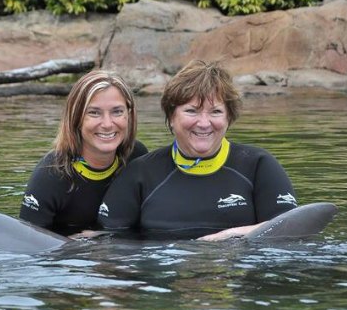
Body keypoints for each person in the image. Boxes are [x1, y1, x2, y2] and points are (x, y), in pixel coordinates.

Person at [98, 60, 297, 241]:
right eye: (191, 111)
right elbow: (108, 242)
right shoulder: (140, 173)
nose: (204, 123)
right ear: (171, 118)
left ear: (229, 118)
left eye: (215, 112)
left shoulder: (258, 166)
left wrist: (229, 235)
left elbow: (293, 229)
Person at [20, 70, 148, 236]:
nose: (108, 124)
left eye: (117, 111)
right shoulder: (50, 175)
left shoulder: (136, 157)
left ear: (129, 115)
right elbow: (28, 246)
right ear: (76, 118)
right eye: (94, 113)